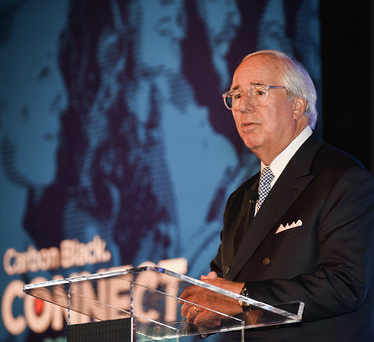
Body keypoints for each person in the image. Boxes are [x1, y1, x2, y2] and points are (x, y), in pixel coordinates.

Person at [179, 50, 374, 341]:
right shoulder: (239, 198)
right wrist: (207, 310)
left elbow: (345, 286)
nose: (243, 106)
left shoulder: (342, 177)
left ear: (297, 105)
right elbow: (224, 288)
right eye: (235, 94)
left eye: (258, 91)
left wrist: (242, 296)